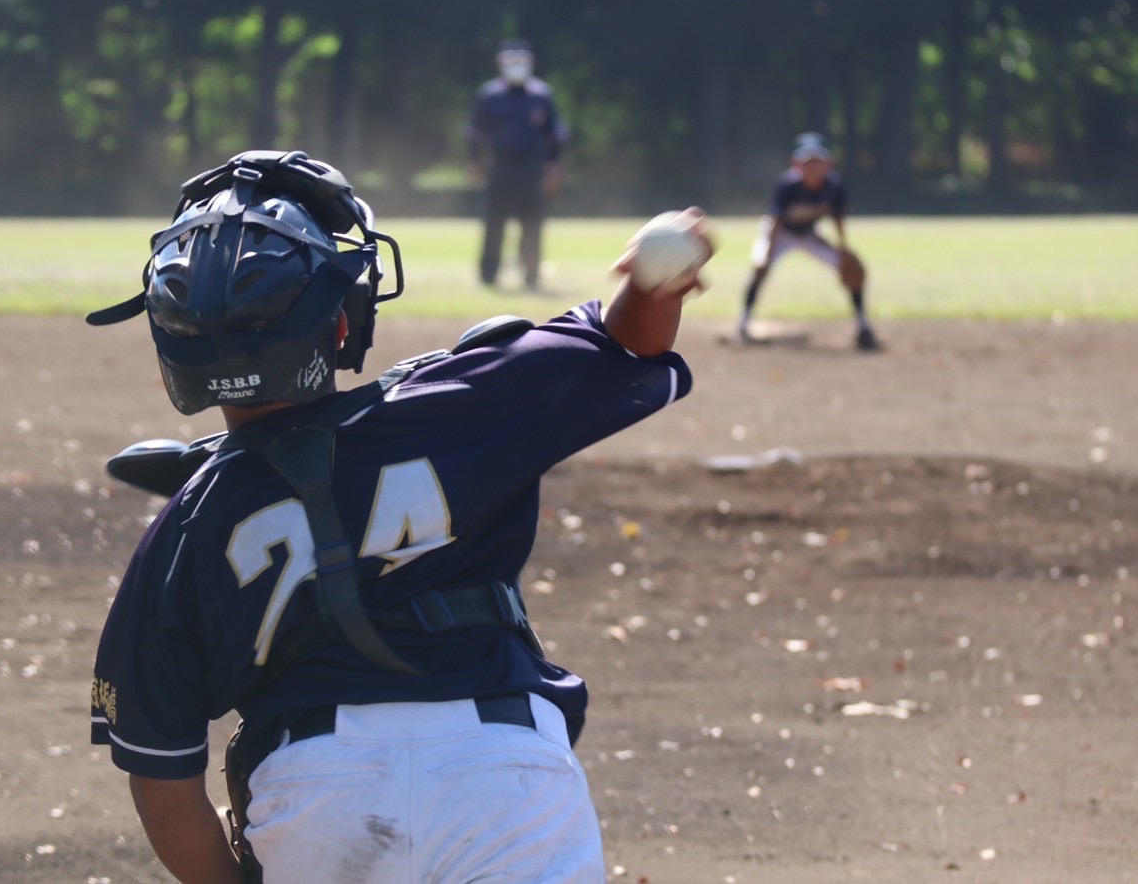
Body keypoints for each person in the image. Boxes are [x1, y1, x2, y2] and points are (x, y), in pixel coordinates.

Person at [84, 149, 711, 883]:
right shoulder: (463, 402)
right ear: (342, 323)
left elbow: (162, 780)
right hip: (505, 782)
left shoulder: (184, 528)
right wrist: (652, 282)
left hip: (315, 800)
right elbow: (628, 340)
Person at [736, 132, 881, 350]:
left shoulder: (834, 186)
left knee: (854, 271)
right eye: (807, 163)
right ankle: (743, 326)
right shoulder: (787, 185)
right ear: (796, 164)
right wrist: (767, 256)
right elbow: (775, 222)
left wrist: (843, 249)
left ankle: (863, 327)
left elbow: (838, 218)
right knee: (759, 268)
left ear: (828, 164)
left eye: (818, 162)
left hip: (809, 234)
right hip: (780, 233)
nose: (813, 168)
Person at [466, 37, 567, 290]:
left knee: (532, 224)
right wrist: (474, 162)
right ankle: (489, 275)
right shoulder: (489, 95)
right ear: (500, 64)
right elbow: (475, 133)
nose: (516, 66)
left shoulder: (542, 95)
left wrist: (553, 166)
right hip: (499, 167)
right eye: (511, 62)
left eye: (521, 61)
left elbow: (554, 135)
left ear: (530, 64)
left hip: (531, 169)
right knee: (494, 224)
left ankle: (531, 274)